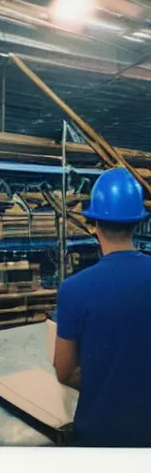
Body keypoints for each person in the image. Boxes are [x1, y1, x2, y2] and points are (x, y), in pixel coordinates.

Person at [54, 166, 151, 447]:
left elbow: (64, 370)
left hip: (101, 436)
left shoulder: (74, 289)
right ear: (139, 223)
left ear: (94, 225)